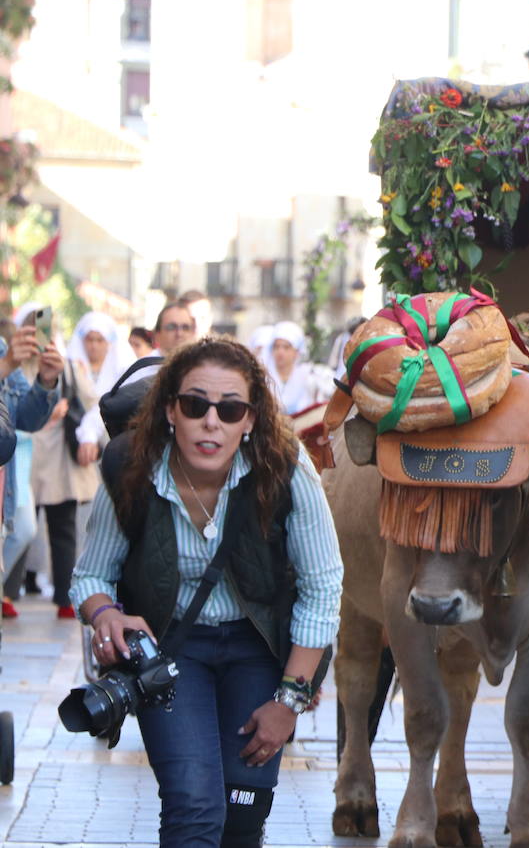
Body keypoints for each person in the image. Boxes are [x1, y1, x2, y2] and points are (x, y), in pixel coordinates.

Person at [70, 337, 343, 847]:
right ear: (171, 410)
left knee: (242, 818)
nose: (211, 422)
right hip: (172, 652)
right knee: (194, 809)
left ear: (251, 419)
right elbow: (90, 576)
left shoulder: (286, 468)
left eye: (230, 408)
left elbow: (323, 587)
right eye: (195, 405)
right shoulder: (132, 468)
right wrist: (105, 614)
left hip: (259, 648)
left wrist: (289, 700)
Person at [31, 312, 128, 618]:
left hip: (103, 459)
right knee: (37, 525)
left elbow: (99, 403)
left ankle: (69, 595)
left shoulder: (122, 369)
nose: (95, 345)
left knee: (76, 527)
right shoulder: (71, 364)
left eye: (100, 339)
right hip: (59, 456)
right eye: (90, 339)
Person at [0, 319, 63, 615]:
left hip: (3, 495)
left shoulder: (2, 349)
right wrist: (5, 366)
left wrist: (46, 381)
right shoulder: (5, 357)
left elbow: (25, 418)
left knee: (24, 529)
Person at [266, 321, 323, 416]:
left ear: (297, 352)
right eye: (276, 347)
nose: (280, 352)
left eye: (286, 347)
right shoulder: (264, 377)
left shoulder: (308, 377)